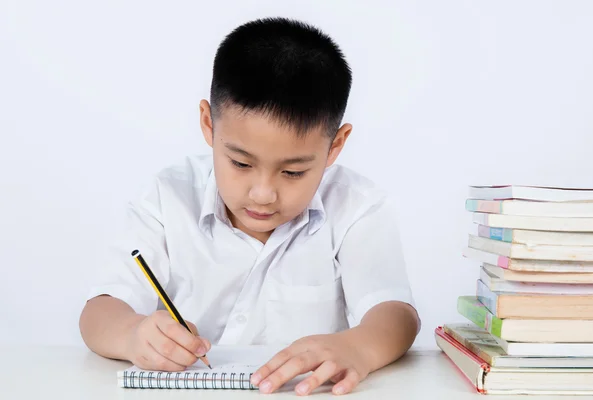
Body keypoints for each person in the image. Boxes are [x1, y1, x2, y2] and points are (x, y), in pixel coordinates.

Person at [79, 17, 420, 396]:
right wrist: (132, 336)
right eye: (241, 164)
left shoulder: (356, 207)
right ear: (209, 124)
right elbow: (99, 313)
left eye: (292, 172)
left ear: (335, 146)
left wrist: (358, 348)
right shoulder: (167, 197)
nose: (263, 194)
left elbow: (396, 315)